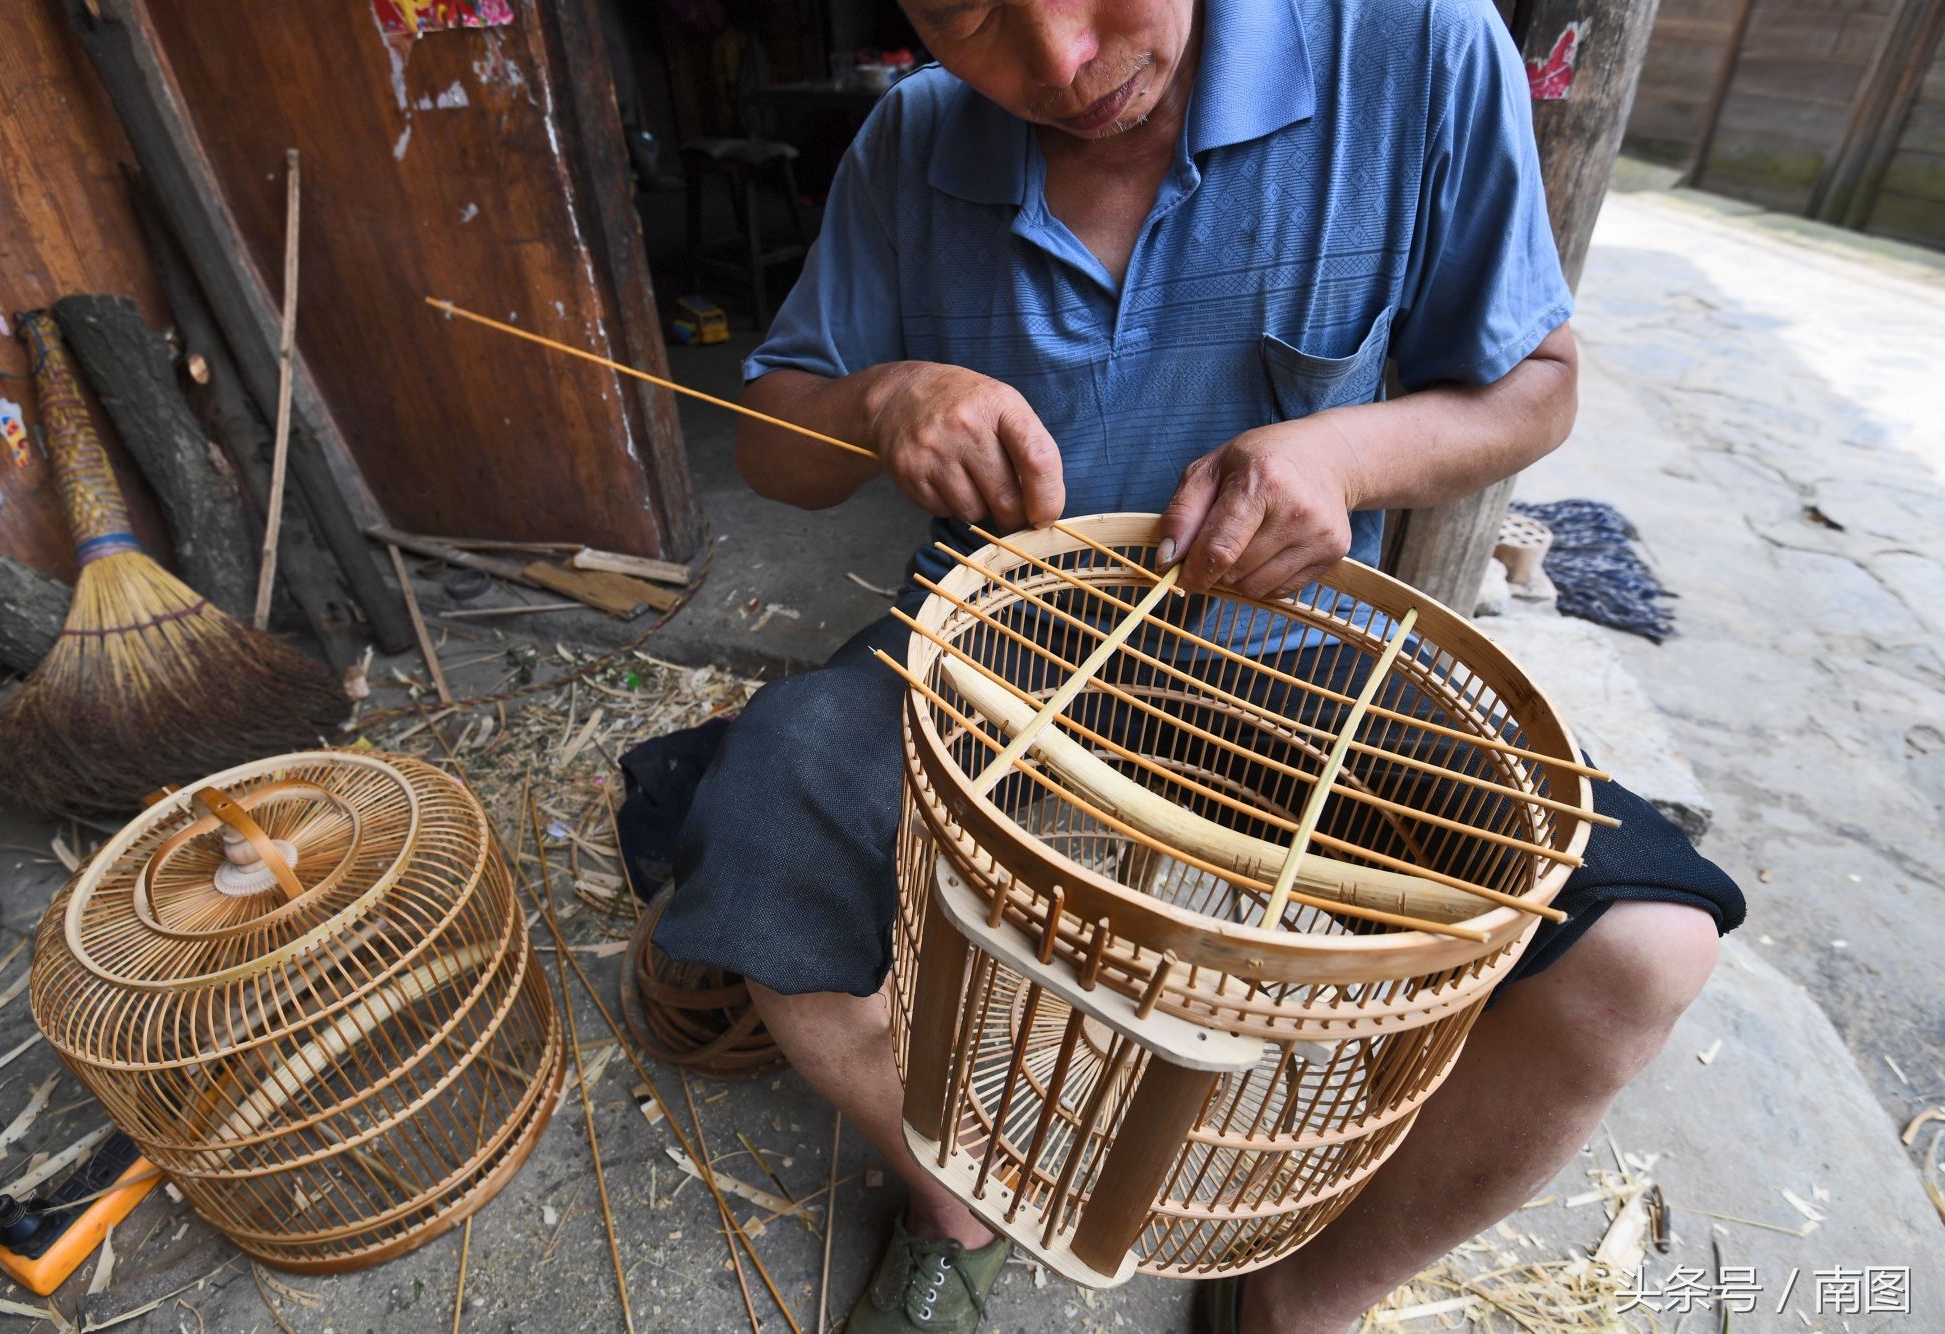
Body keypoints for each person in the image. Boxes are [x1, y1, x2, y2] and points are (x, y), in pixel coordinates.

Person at [653, 1, 1746, 1330]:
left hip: (1291, 652)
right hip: (992, 636)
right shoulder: (911, 140)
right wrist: (876, 405)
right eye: (972, 15)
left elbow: (1539, 385)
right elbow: (769, 435)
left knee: (1643, 949)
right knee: (764, 820)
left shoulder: (1411, 50)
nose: (1059, 63)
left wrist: (1345, 458)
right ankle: (954, 1200)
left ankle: (1298, 1298)